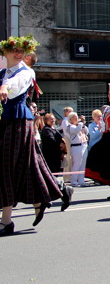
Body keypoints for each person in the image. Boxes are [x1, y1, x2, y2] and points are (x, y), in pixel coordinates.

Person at [0, 35, 63, 235]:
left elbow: (14, 88)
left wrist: (3, 86)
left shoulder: (26, 71)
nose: (19, 54)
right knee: (26, 165)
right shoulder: (3, 72)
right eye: (14, 50)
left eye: (22, 51)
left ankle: (6, 220)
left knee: (7, 168)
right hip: (6, 122)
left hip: (18, 122)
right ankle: (43, 197)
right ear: (5, 52)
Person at [66, 112, 89, 187]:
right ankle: (74, 181)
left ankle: (81, 180)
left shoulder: (80, 125)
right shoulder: (70, 126)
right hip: (76, 146)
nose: (76, 118)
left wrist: (83, 125)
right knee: (76, 164)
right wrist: (81, 123)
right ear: (70, 119)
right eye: (74, 117)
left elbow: (86, 132)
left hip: (83, 145)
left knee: (83, 164)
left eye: (76, 116)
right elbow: (76, 130)